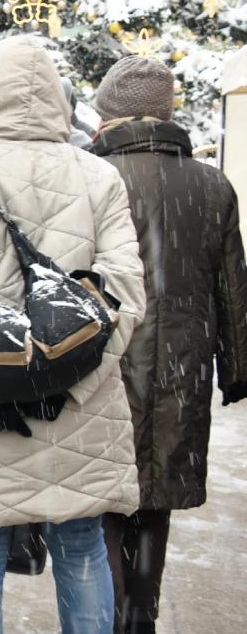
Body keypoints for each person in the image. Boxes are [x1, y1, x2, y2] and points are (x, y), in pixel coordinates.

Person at [0, 35, 144, 632]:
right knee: (83, 551)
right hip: (83, 411)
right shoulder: (99, 177)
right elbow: (126, 296)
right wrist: (68, 379)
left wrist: (1, 381)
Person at [89, 55, 247, 634]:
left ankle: (108, 610)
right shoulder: (210, 185)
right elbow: (232, 288)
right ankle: (140, 615)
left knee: (105, 492)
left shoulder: (92, 177)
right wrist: (237, 368)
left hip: (105, 357)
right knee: (155, 497)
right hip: (183, 363)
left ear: (109, 115)